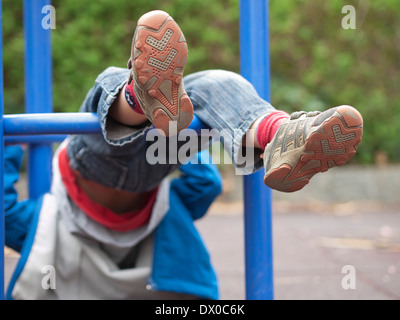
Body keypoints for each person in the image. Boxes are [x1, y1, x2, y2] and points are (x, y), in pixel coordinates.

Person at [4, 10, 363, 300]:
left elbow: (4, 214)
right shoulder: (168, 222)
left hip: (95, 167)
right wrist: (183, 141)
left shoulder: (45, 227)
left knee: (111, 84)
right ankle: (274, 132)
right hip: (154, 168)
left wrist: (9, 142)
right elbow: (204, 184)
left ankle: (137, 97)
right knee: (216, 84)